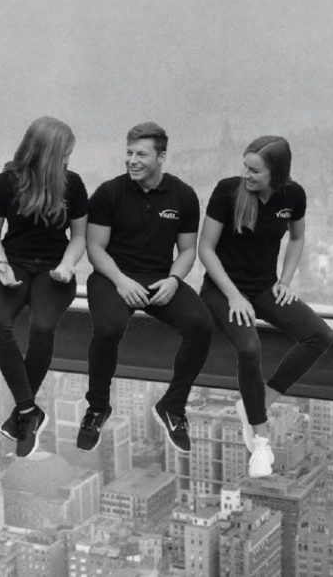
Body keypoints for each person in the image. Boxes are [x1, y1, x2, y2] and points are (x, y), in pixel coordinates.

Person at [198, 136, 333, 478]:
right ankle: (261, 440)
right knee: (249, 347)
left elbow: (297, 237)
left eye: (254, 170)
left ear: (276, 172)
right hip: (221, 290)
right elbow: (206, 249)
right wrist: (233, 295)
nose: (246, 174)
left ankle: (255, 403)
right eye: (245, 166)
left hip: (263, 288)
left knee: (320, 335)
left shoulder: (293, 196)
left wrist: (285, 281)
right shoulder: (227, 192)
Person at [79, 122, 214, 453]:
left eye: (141, 154)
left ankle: (173, 405)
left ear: (161, 156)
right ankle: (97, 407)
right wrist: (121, 281)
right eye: (129, 153)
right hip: (112, 277)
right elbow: (95, 247)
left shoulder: (183, 195)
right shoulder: (109, 193)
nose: (132, 160)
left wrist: (174, 280)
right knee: (108, 328)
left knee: (202, 325)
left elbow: (187, 250)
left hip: (159, 278)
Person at [0, 116, 88, 458]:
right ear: (44, 151)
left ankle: (23, 414)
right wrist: (1, 264)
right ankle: (29, 411)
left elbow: (79, 237)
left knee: (42, 328)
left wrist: (67, 265)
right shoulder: (6, 183)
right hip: (13, 261)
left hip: (54, 268)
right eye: (63, 153)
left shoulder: (73, 185)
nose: (67, 160)